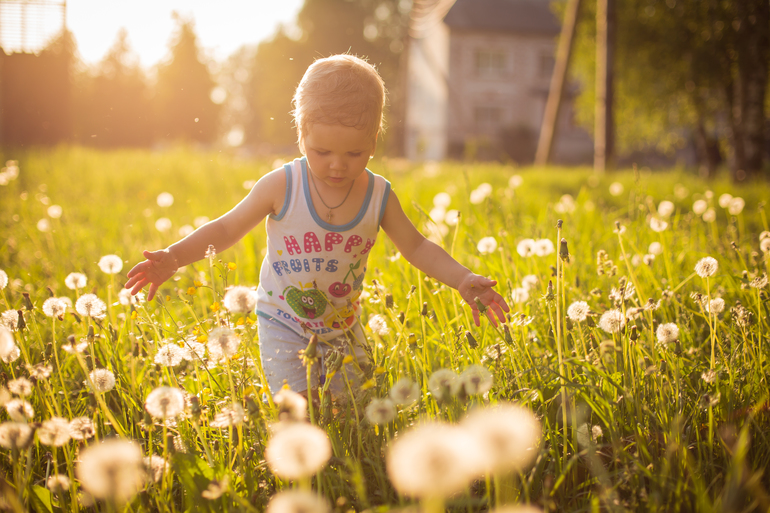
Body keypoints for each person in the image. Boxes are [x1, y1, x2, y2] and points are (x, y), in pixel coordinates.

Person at [125, 54, 509, 395]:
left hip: (344, 325)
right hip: (282, 319)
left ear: (373, 142)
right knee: (297, 408)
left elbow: (417, 246)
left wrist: (461, 278)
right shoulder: (281, 185)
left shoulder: (378, 195)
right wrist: (174, 257)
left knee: (354, 410)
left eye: (353, 152)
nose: (337, 165)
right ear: (301, 135)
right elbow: (226, 229)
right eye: (321, 151)